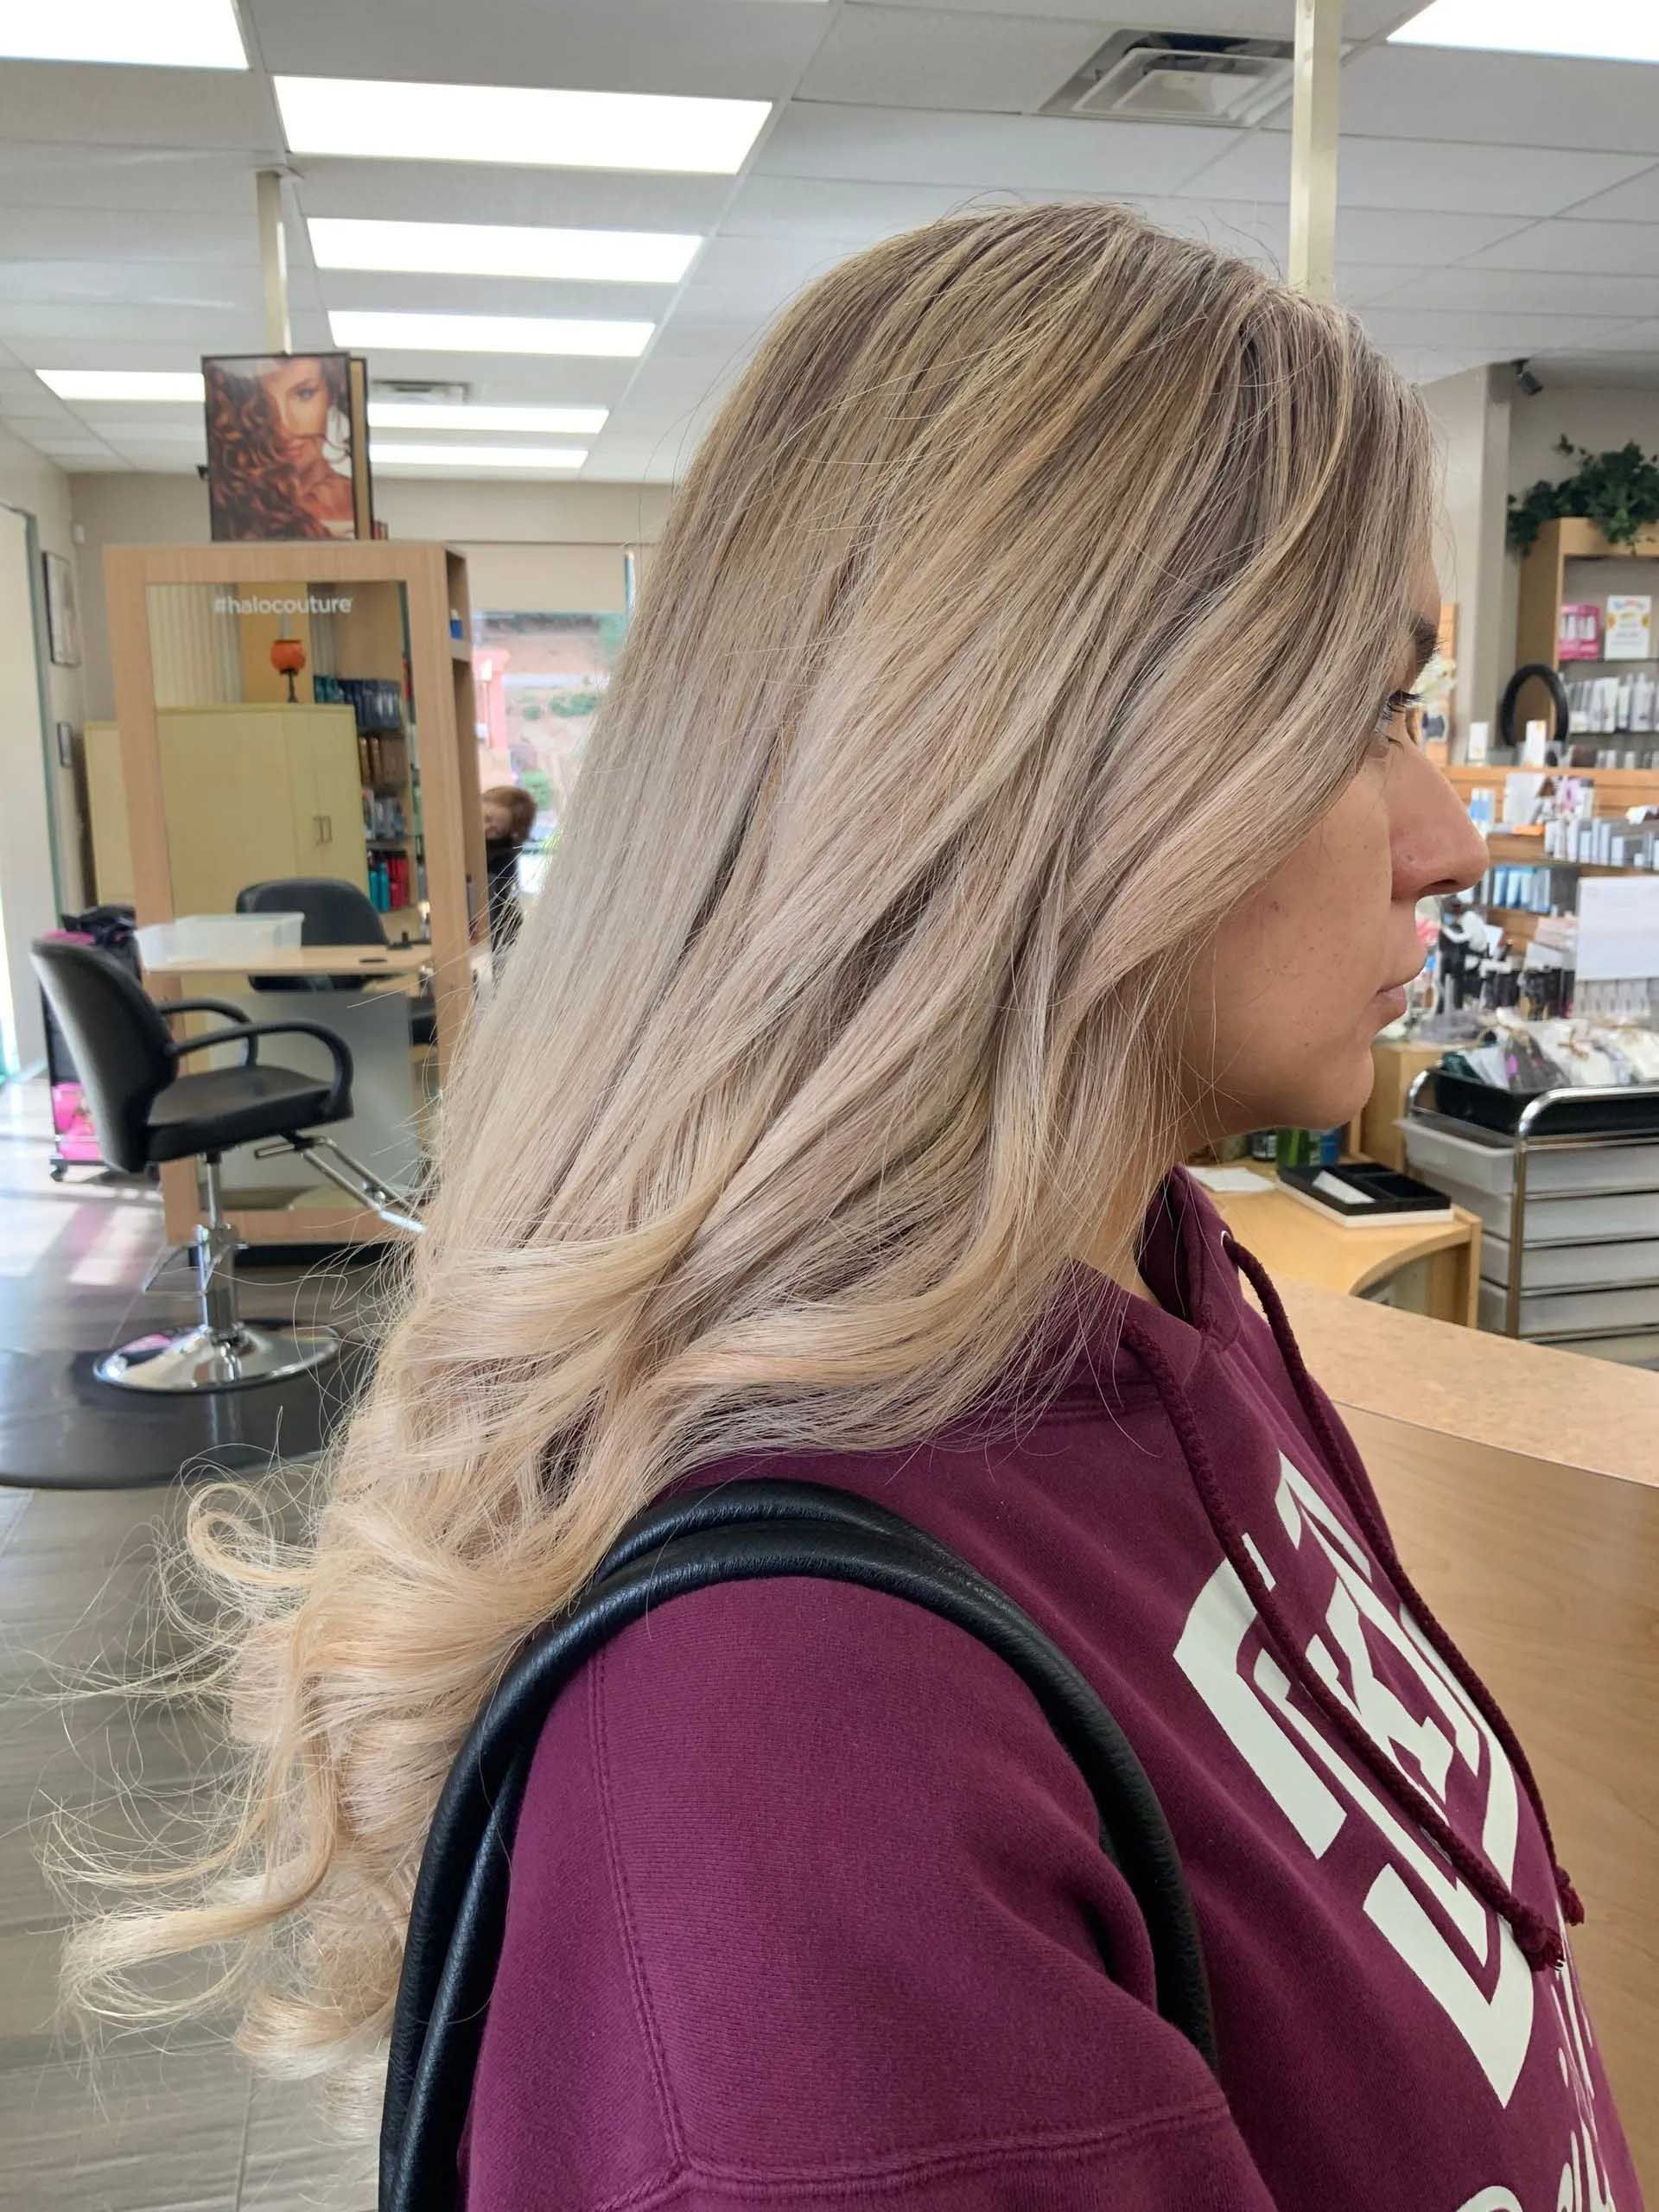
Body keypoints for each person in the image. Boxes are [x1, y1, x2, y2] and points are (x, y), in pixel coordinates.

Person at [67, 206, 1637, 2209]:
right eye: (1361, 708)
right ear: (1042, 760)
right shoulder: (796, 1750)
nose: (1441, 835)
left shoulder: (1168, 1290)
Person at [205, 353, 357, 541]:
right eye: (263, 405)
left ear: (331, 395)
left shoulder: (357, 502)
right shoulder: (239, 512)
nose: (285, 427)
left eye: (304, 394)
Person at [481, 783, 537, 957]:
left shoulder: (502, 858)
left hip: (497, 936)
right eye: (486, 818)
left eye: (496, 832)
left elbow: (496, 907)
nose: (485, 829)